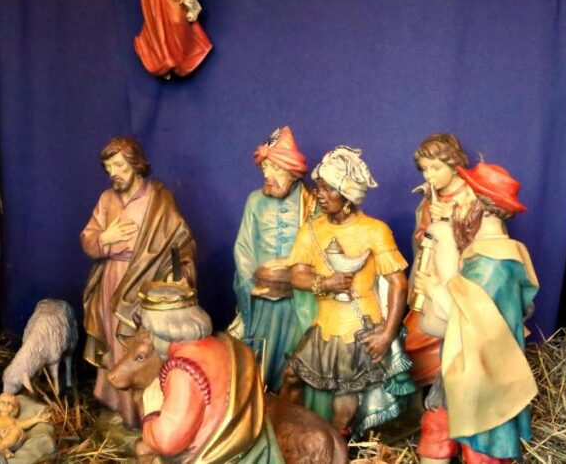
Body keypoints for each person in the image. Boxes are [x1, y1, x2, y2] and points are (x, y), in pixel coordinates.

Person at [282, 146, 416, 434]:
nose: (320, 195)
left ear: (348, 195)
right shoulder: (312, 230)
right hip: (324, 327)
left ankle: (337, 445)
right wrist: (324, 283)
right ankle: (287, 432)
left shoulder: (375, 230)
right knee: (292, 376)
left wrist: (387, 334)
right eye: (319, 188)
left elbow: (398, 284)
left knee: (346, 394)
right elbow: (297, 276)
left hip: (359, 329)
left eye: (328, 189)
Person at [416, 162, 537, 464]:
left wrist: (433, 289)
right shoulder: (488, 254)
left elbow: (467, 316)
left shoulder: (491, 265)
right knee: (437, 427)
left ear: (481, 207)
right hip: (463, 363)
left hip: (484, 374)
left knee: (481, 446)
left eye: (464, 197)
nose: (456, 203)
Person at [81, 136, 196, 427]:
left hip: (146, 284)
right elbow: (88, 239)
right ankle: (122, 411)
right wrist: (104, 238)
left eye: (119, 165)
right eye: (109, 168)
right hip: (113, 280)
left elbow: (181, 242)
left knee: (139, 349)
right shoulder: (107, 200)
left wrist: (177, 272)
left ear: (135, 164)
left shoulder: (158, 200)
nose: (113, 173)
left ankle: (147, 413)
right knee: (114, 344)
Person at [136, 280, 284, 463]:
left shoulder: (184, 372)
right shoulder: (228, 345)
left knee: (143, 453)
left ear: (162, 331)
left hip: (211, 456)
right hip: (250, 448)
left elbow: (167, 441)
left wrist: (151, 414)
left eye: (151, 332)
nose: (151, 339)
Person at [232, 126, 317, 390]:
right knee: (258, 355)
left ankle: (290, 400)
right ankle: (259, 397)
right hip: (261, 299)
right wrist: (250, 285)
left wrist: (292, 266)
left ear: (292, 172)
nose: (268, 176)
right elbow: (243, 247)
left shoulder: (312, 203)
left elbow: (321, 247)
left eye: (276, 169)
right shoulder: (254, 201)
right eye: (265, 169)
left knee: (296, 354)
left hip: (297, 299)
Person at [404, 133, 477, 387]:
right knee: (416, 336)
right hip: (429, 272)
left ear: (454, 165)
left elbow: (481, 239)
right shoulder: (431, 196)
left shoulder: (471, 195)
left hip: (457, 280)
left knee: (453, 332)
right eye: (425, 169)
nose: (429, 176)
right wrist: (428, 226)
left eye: (436, 168)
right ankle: (429, 391)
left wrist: (451, 219)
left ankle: (451, 384)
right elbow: (421, 236)